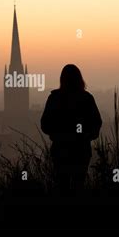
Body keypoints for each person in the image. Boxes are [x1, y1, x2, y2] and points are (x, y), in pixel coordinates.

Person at [41, 64, 102, 194]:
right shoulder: (86, 98)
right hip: (81, 151)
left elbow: (45, 124)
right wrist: (85, 136)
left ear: (62, 79)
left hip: (60, 151)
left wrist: (57, 135)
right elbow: (96, 123)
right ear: (80, 79)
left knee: (62, 187)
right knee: (78, 187)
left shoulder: (54, 98)